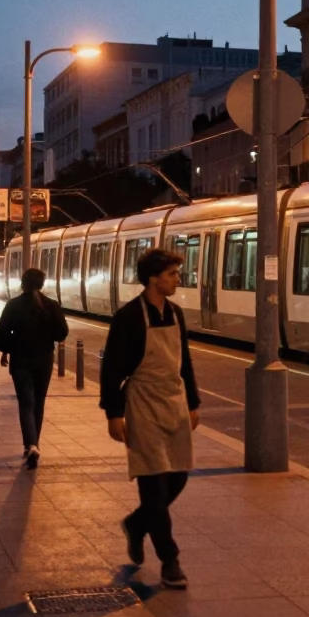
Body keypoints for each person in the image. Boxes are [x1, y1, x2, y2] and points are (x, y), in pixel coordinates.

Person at [100, 247, 201, 589]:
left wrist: (193, 402)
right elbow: (111, 367)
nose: (177, 279)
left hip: (173, 401)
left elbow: (184, 360)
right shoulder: (129, 316)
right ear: (154, 278)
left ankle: (136, 523)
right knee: (154, 484)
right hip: (142, 403)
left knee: (178, 476)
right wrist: (114, 414)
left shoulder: (176, 313)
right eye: (172, 274)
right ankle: (170, 560)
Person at [0, 267, 68, 469]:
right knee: (39, 402)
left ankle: (31, 445)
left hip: (20, 361)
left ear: (22, 283)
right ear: (42, 284)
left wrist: (9, 347)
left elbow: (0, 333)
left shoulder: (14, 305)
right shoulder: (51, 305)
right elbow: (62, 332)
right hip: (44, 360)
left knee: (26, 403)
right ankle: (35, 443)